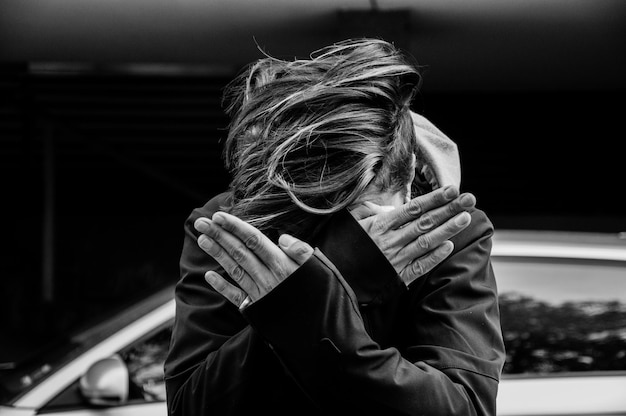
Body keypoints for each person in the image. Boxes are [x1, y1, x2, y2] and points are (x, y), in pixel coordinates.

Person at [164, 38, 505, 415]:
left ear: (408, 177)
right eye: (314, 222)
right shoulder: (234, 224)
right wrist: (330, 279)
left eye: (359, 221)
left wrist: (320, 298)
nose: (340, 237)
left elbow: (462, 408)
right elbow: (190, 408)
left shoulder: (451, 232)